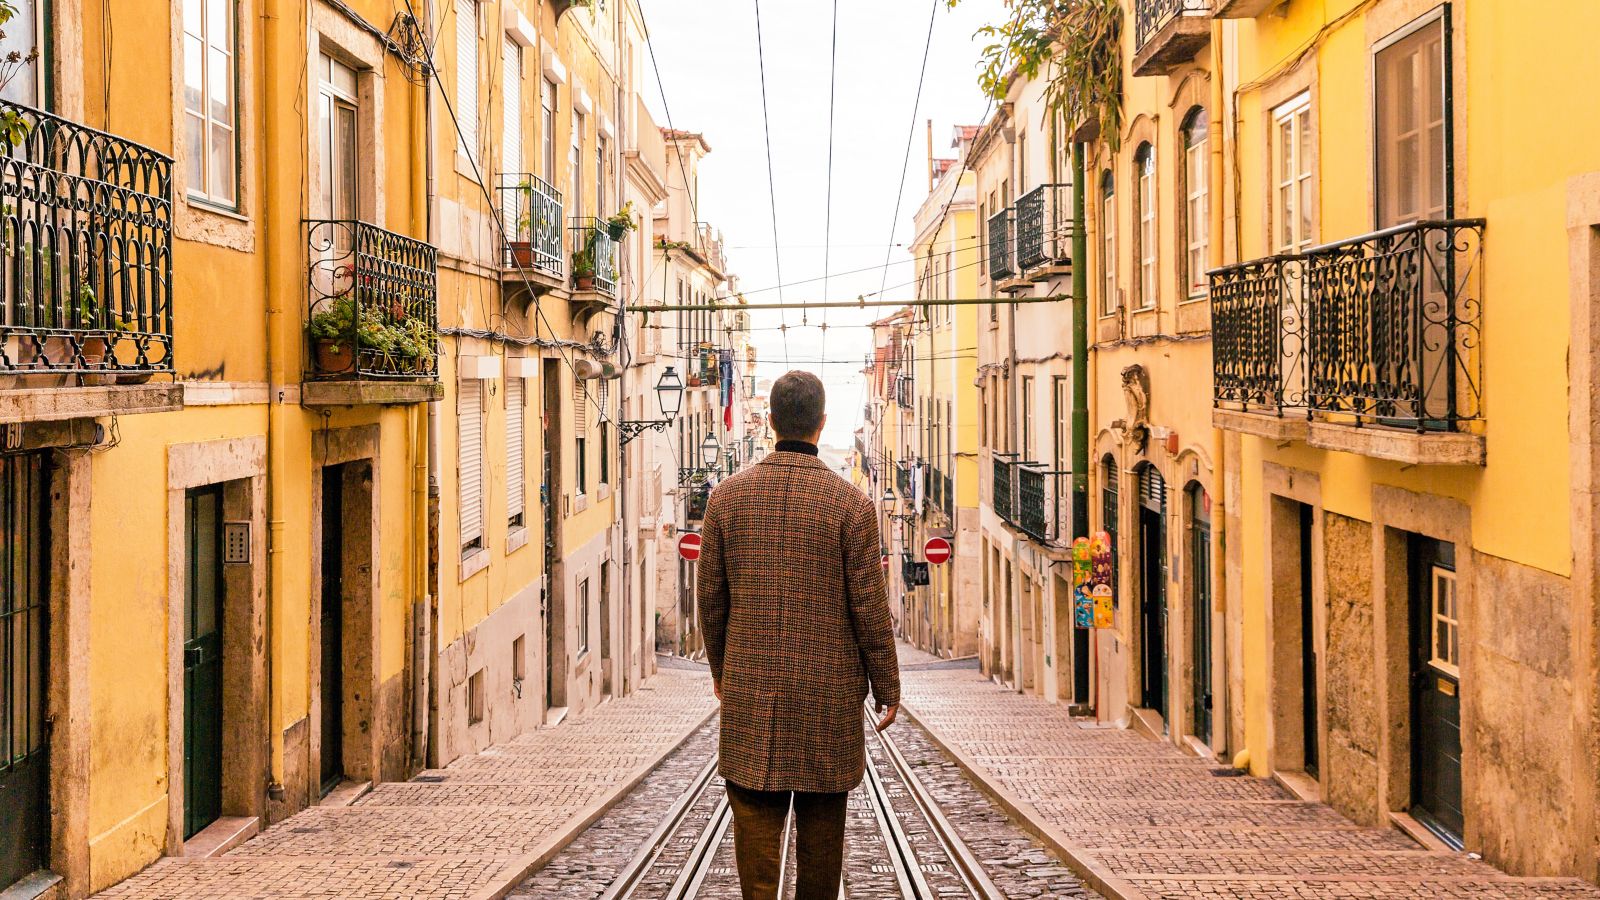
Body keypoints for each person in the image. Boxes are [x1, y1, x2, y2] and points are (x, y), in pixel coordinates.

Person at [697, 369, 900, 900]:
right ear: (821, 423)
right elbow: (870, 609)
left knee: (757, 873)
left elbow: (711, 603)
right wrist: (887, 687)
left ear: (771, 424)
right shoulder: (851, 505)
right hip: (827, 712)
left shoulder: (727, 499)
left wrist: (724, 673)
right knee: (820, 870)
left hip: (752, 705)